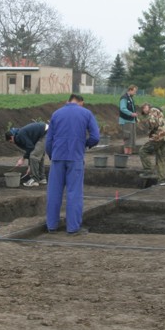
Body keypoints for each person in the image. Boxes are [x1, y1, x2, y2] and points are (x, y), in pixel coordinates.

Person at [44, 94, 100, 234]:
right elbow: (95, 137)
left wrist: (52, 155)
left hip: (57, 157)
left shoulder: (56, 114)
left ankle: (51, 226)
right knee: (74, 192)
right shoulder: (86, 113)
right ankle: (73, 228)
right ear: (81, 102)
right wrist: (84, 145)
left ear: (68, 101)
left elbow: (49, 140)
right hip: (75, 157)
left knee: (54, 192)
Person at [5, 122, 49, 187]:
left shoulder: (19, 136)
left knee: (34, 156)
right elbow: (30, 149)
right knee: (39, 155)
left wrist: (22, 159)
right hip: (45, 132)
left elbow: (31, 148)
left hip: (46, 133)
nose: (12, 143)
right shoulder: (18, 134)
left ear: (11, 137)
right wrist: (29, 166)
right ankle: (42, 178)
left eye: (10, 142)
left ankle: (35, 180)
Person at [138, 103, 165, 181]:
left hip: (158, 137)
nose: (144, 111)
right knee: (160, 158)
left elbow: (153, 123)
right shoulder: (159, 113)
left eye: (144, 108)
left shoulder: (152, 111)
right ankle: (162, 179)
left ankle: (148, 170)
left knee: (143, 151)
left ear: (147, 107)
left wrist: (149, 131)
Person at [118, 85, 138, 155]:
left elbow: (132, 109)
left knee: (132, 137)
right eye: (134, 91)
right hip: (125, 120)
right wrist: (131, 114)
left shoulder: (131, 98)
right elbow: (123, 108)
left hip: (131, 120)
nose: (135, 93)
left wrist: (135, 118)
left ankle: (130, 152)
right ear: (130, 90)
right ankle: (126, 153)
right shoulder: (124, 98)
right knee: (127, 136)